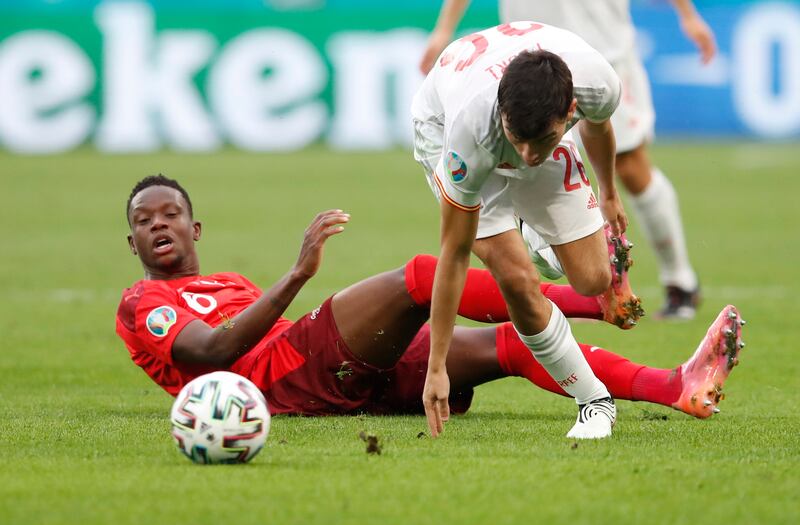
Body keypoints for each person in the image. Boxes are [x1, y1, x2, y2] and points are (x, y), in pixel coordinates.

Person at [116, 176, 744, 438]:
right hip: (281, 377)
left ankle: (676, 386)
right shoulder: (142, 300)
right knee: (421, 275)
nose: (159, 224)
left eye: (171, 214)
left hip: (318, 370)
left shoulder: (225, 279)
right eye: (145, 221)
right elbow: (212, 352)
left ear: (196, 229)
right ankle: (596, 299)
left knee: (516, 346)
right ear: (133, 242)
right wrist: (297, 276)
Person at [411, 22, 640, 438]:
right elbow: (455, 251)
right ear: (503, 113)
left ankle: (534, 238)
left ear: (569, 111)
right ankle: (594, 401)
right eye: (519, 140)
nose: (529, 157)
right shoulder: (469, 135)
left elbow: (599, 126)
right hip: (448, 128)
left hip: (524, 118)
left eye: (543, 140)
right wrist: (437, 364)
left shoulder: (596, 83)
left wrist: (609, 192)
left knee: (593, 280)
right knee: (517, 279)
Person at [419, 0, 716, 320]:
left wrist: (687, 14)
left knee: (628, 165)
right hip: (523, 66)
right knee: (520, 153)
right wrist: (444, 29)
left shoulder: (598, 76)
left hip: (602, 49)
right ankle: (540, 229)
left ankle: (679, 280)